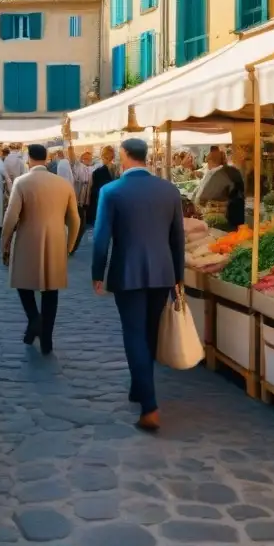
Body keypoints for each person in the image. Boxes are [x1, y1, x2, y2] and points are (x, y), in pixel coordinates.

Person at [91, 138, 186, 431]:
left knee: (133, 334)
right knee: (149, 332)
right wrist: (178, 275)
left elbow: (101, 237)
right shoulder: (169, 190)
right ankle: (139, 386)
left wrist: (97, 272)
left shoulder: (112, 190)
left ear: (123, 156)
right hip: (162, 272)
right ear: (146, 157)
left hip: (127, 272)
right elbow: (177, 237)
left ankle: (150, 406)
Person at [1, 144, 81, 355]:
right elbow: (75, 218)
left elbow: (11, 218)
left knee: (22, 283)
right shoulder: (63, 184)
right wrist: (70, 245)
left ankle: (34, 319)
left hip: (28, 238)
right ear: (46, 159)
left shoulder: (22, 182)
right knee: (51, 289)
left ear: (29, 159)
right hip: (56, 239)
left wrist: (5, 244)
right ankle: (47, 339)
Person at [195, 148, 246, 229]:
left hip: (222, 219)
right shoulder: (232, 170)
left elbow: (203, 198)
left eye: (207, 161)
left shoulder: (217, 174)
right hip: (238, 216)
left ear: (211, 161)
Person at [86, 146, 118, 226]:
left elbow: (94, 194)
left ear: (103, 156)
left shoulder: (97, 173)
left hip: (103, 209)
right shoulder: (119, 170)